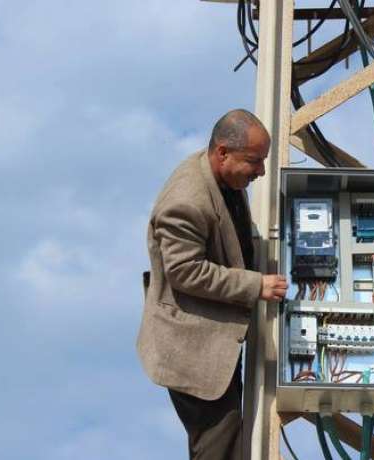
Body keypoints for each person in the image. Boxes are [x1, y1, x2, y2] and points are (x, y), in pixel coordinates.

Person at [137, 109, 289, 460]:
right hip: (192, 348)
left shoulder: (224, 178)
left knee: (230, 439)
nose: (261, 171)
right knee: (219, 443)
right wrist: (255, 286)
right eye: (254, 161)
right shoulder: (186, 201)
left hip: (219, 333)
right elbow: (185, 271)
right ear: (222, 153)